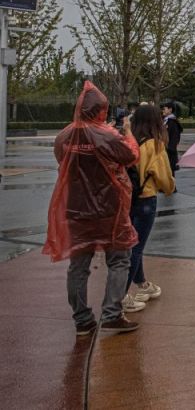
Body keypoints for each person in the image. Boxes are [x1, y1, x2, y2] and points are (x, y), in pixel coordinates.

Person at [43, 81, 141, 335]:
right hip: (109, 208)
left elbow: (62, 161)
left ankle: (82, 319)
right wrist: (128, 132)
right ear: (101, 110)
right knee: (119, 259)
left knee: (78, 264)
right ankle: (111, 314)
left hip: (76, 209)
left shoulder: (64, 136)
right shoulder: (107, 135)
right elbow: (131, 156)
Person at [121, 104, 176, 313]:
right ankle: (121, 295)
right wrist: (169, 188)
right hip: (145, 198)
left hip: (127, 198)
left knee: (133, 244)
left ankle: (142, 283)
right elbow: (164, 179)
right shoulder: (154, 145)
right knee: (136, 248)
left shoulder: (128, 141)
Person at [161, 100, 183, 171]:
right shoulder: (165, 120)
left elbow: (175, 138)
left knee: (170, 173)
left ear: (170, 109)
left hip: (169, 154)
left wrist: (168, 149)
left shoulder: (172, 122)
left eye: (164, 109)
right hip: (165, 152)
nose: (163, 110)